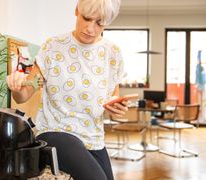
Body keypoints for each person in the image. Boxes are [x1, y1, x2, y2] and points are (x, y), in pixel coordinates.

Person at [7, 0, 126, 179]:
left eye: (99, 23)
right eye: (87, 18)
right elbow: (23, 95)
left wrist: (116, 110)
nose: (91, 28)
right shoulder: (53, 47)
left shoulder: (113, 54)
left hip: (93, 138)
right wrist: (16, 86)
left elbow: (113, 100)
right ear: (77, 10)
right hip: (56, 131)